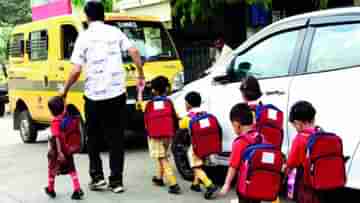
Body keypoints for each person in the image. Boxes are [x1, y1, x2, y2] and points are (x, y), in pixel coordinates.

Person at [60, 1, 145, 193]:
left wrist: (64, 90)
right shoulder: (115, 32)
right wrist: (140, 73)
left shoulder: (84, 37)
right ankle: (116, 181)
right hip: (116, 95)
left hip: (93, 97)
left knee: (93, 137)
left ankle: (97, 178)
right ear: (103, 16)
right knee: (116, 138)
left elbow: (75, 70)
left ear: (87, 17)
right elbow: (134, 51)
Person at [144, 76, 181, 194]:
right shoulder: (169, 102)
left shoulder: (149, 104)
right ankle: (159, 178)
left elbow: (146, 121)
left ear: (154, 90)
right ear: (166, 89)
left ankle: (173, 183)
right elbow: (175, 118)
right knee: (163, 155)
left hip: (155, 136)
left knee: (162, 158)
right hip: (168, 134)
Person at [179, 91, 218, 199]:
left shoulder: (188, 117)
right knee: (200, 164)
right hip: (207, 145)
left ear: (189, 104)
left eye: (185, 103)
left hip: (195, 146)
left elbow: (181, 126)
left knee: (196, 167)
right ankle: (195, 184)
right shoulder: (206, 114)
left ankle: (209, 185)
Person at [219, 103, 261, 203]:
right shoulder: (260, 137)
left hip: (245, 187)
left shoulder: (240, 142)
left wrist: (226, 184)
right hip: (259, 185)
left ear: (236, 125)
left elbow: (233, 166)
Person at [45, 96, 84, 200]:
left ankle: (50, 188)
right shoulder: (67, 118)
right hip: (68, 149)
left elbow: (56, 137)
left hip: (58, 151)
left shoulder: (55, 122)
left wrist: (59, 152)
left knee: (52, 169)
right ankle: (77, 189)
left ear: (51, 111)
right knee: (71, 169)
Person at [286, 101, 320, 203]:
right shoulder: (322, 134)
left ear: (298, 123)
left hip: (306, 189)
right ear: (313, 119)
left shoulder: (300, 139)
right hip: (322, 186)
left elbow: (290, 164)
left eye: (294, 125)